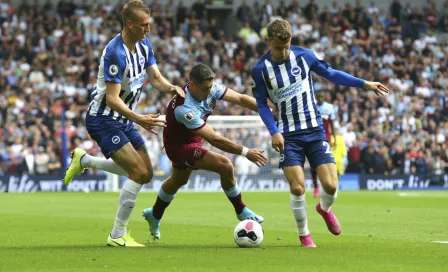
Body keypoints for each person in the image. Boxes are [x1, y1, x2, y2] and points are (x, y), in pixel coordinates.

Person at [250, 19, 389, 247]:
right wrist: (273, 131)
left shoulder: (304, 56)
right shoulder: (260, 70)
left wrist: (365, 84)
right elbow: (262, 104)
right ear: (268, 42)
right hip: (288, 135)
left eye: (287, 46)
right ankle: (304, 235)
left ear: (291, 40)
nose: (284, 51)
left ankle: (324, 209)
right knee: (297, 187)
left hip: (314, 130)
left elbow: (332, 74)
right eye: (278, 47)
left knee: (331, 186)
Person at [63, 0, 183, 247]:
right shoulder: (116, 52)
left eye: (149, 25)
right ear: (130, 23)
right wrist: (139, 118)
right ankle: (117, 234)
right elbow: (112, 98)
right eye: (144, 25)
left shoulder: (144, 45)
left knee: (146, 173)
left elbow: (156, 78)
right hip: (104, 119)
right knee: (138, 173)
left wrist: (172, 88)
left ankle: (84, 160)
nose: (148, 30)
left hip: (124, 119)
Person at [142, 63, 268, 240]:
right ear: (192, 85)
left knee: (178, 180)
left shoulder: (210, 88)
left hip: (192, 138)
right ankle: (241, 210)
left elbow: (240, 98)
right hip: (179, 147)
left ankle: (154, 214)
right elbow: (214, 139)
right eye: (204, 88)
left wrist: (268, 110)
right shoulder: (184, 107)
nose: (209, 92)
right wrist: (246, 152)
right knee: (225, 165)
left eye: (210, 87)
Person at [310, 90, 337, 198]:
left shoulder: (329, 107)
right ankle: (316, 186)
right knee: (314, 165)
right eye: (318, 96)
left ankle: (326, 186)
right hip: (313, 138)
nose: (320, 98)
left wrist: (334, 137)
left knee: (326, 162)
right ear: (316, 96)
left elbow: (332, 123)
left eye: (322, 96)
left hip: (326, 138)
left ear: (324, 96)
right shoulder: (312, 106)